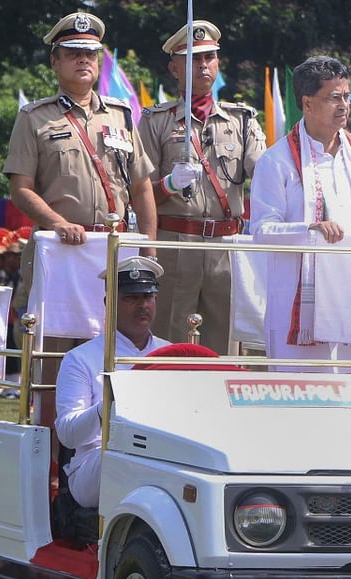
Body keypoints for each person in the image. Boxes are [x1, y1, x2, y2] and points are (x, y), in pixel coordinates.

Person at [248, 56, 351, 364]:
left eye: (346, 97)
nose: (344, 105)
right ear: (307, 104)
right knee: (301, 401)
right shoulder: (276, 161)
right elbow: (261, 232)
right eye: (334, 98)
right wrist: (309, 230)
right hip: (300, 306)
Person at [4, 10, 158, 317]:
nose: (83, 60)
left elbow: (141, 188)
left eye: (90, 53)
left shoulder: (121, 115)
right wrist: (58, 223)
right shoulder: (34, 118)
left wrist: (150, 250)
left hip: (116, 247)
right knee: (56, 344)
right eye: (73, 53)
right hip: (61, 246)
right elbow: (20, 189)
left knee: (114, 340)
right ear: (54, 62)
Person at [141, 19, 266, 353]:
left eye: (209, 57)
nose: (203, 65)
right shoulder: (156, 121)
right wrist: (168, 185)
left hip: (226, 245)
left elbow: (267, 175)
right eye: (193, 59)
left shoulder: (241, 121)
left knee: (224, 345)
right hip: (176, 242)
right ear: (174, 68)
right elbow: (136, 194)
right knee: (170, 341)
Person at [55, 257, 171, 509]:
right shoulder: (81, 358)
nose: (142, 305)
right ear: (109, 304)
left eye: (148, 297)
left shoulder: (172, 354)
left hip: (165, 454)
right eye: (131, 298)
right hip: (96, 459)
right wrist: (108, 405)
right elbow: (67, 434)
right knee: (127, 455)